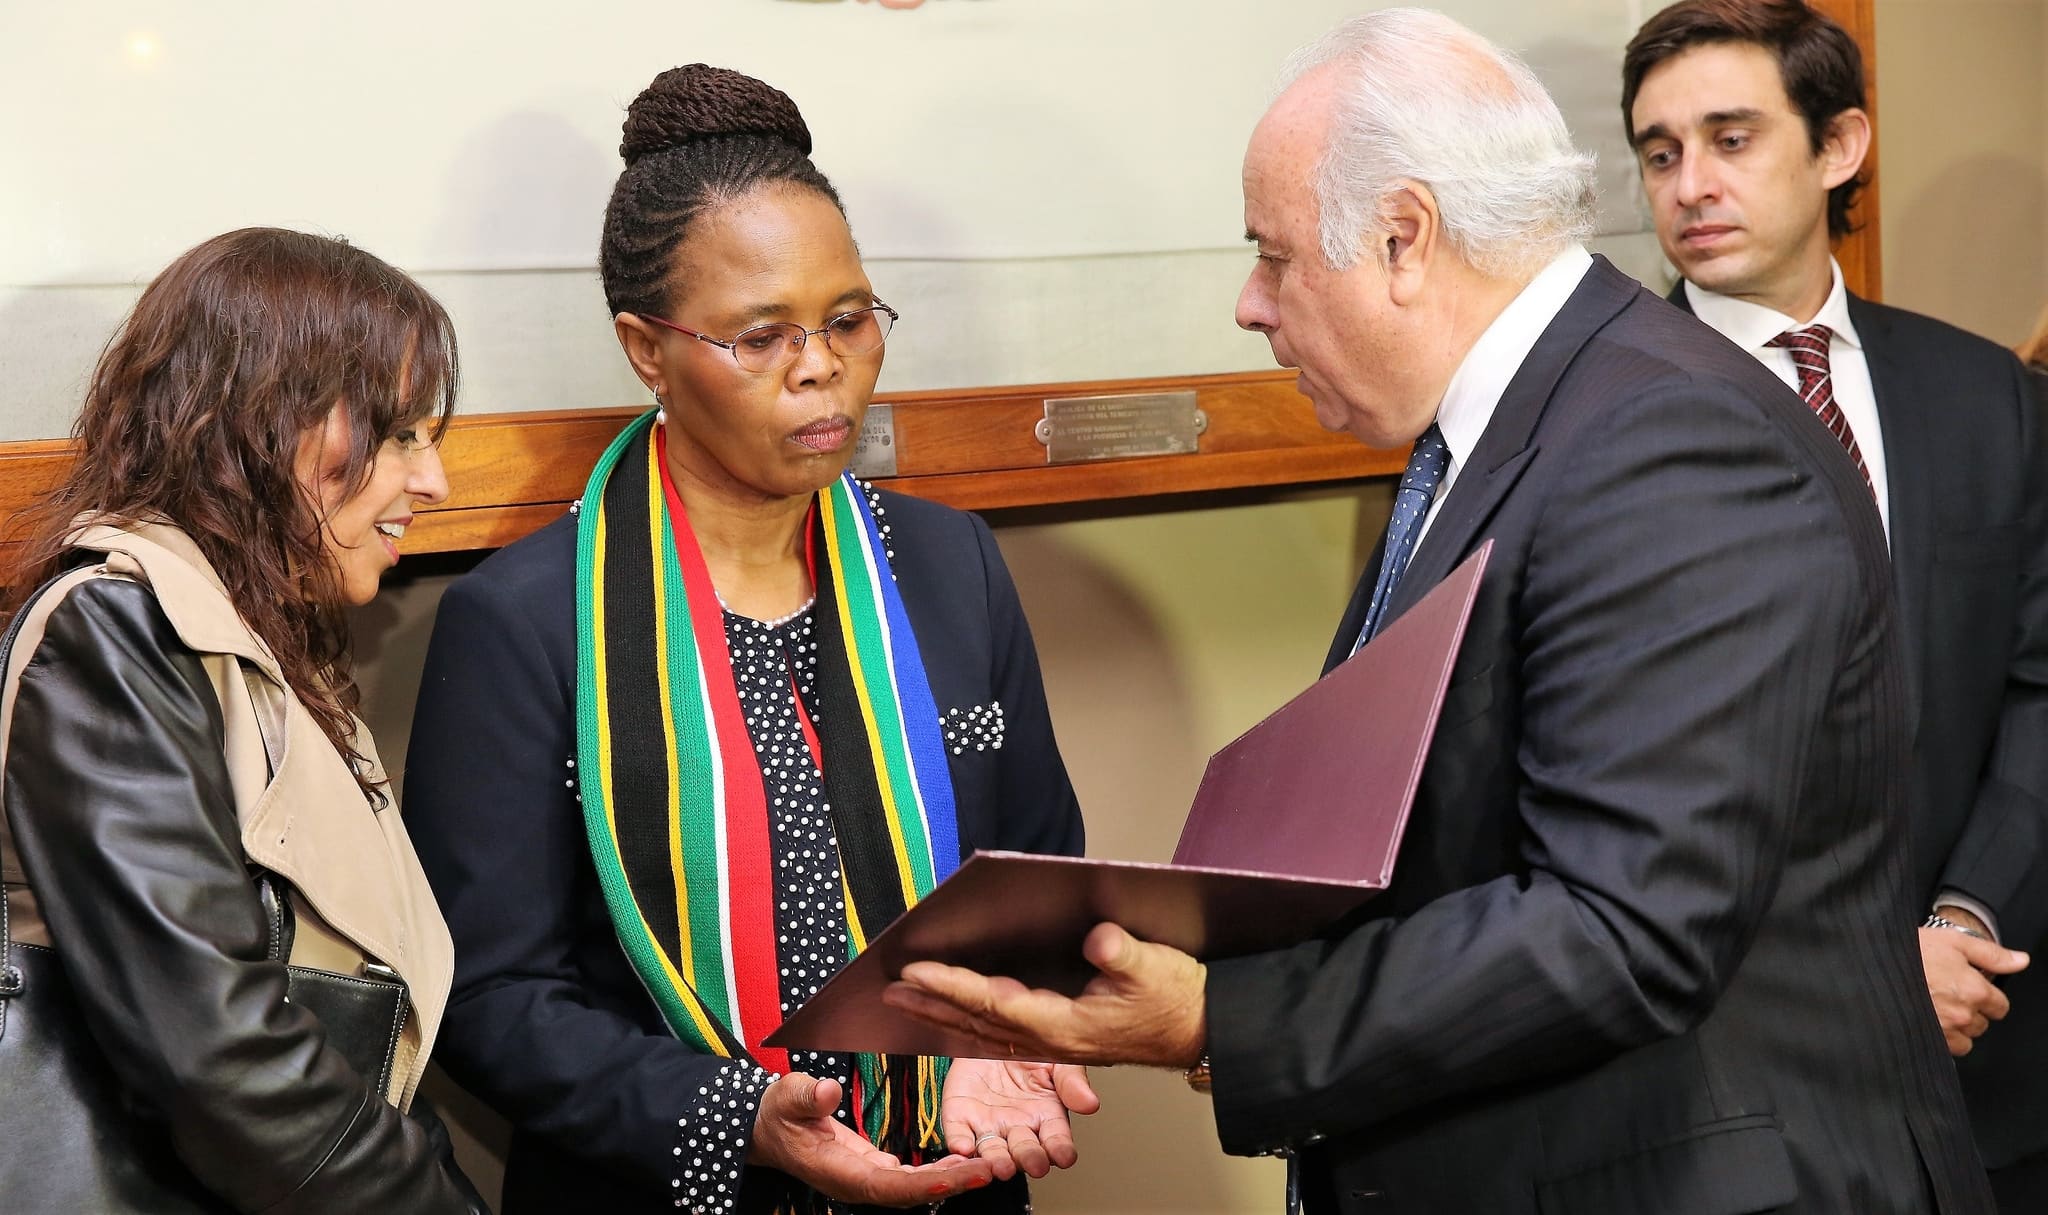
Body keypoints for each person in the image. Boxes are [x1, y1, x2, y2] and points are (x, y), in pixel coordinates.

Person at [881, 9, 1996, 1212]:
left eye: (1274, 255)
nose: (1250, 305)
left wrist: (1215, 1017)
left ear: (1404, 236)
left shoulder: (1667, 442)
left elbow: (1621, 928)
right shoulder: (1521, 426)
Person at [401, 65, 1092, 1215]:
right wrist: (739, 1119)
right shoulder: (523, 622)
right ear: (645, 348)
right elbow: (489, 995)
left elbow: (1041, 880)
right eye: (760, 336)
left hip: (948, 1166)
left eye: (847, 320)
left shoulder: (948, 566)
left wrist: (1000, 1029)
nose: (819, 367)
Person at [1623, 3, 2048, 1206]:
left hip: (1989, 1051)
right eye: (1659, 153)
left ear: (1838, 145)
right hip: (1725, 1086)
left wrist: (1962, 918)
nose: (1689, 184)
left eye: (1729, 138)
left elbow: (2035, 682)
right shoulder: (1594, 415)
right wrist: (1865, 970)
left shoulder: (1981, 395)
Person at [0, 228, 482, 1212]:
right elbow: (217, 1058)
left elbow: (361, 1054)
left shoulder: (266, 640)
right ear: (264, 422)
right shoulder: (117, 627)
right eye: (397, 433)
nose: (432, 482)